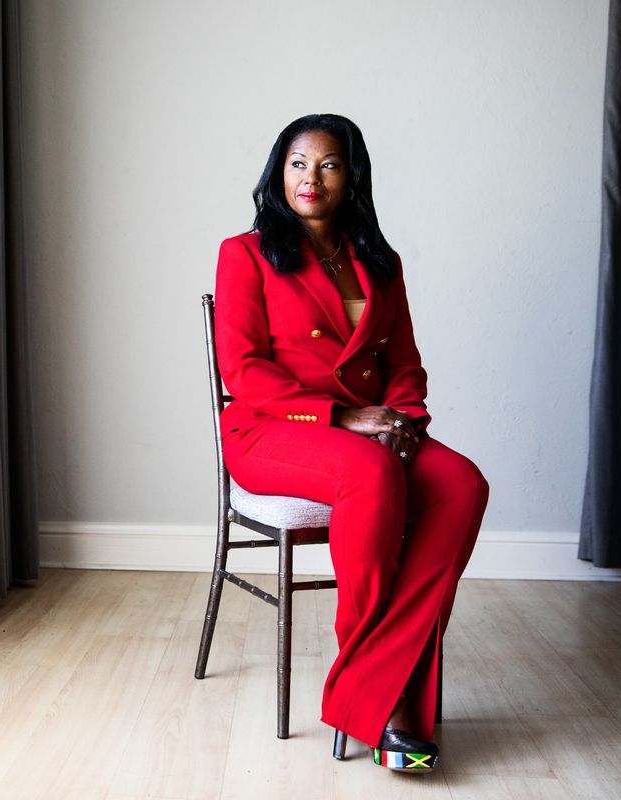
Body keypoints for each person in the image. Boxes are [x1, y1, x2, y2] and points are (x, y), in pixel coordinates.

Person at [214, 113, 488, 772]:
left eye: (330, 164)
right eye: (299, 162)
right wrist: (342, 417)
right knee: (369, 472)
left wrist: (400, 420)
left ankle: (367, 683)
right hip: (274, 429)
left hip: (370, 429)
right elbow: (243, 369)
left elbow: (403, 362)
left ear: (352, 177)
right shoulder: (244, 254)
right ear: (279, 172)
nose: (312, 177)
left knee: (461, 484)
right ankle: (391, 711)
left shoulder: (379, 262)